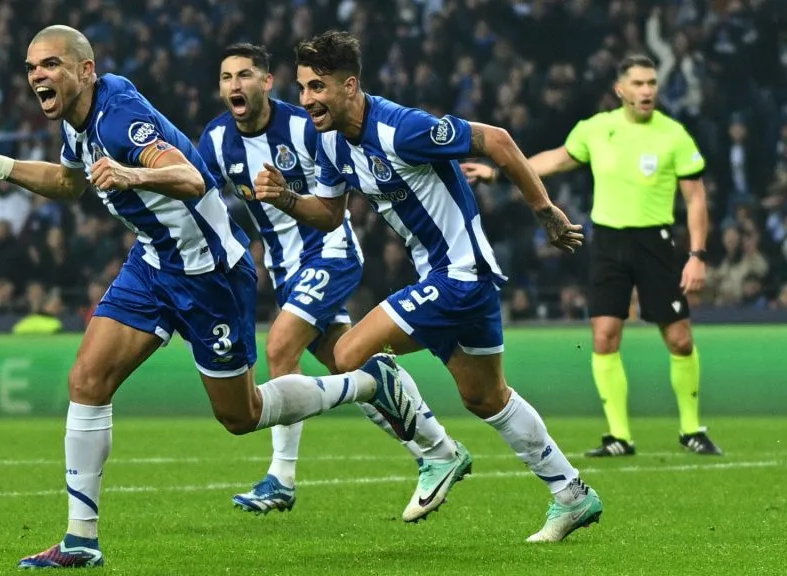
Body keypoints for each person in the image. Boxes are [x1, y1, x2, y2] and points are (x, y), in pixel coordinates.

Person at [0, 26, 419, 569]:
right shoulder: (80, 122)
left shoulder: (119, 118)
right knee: (87, 380)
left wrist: (127, 172)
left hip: (209, 272)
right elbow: (70, 183)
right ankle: (80, 540)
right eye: (31, 69)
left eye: (50, 65)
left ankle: (365, 383)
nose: (38, 77)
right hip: (153, 262)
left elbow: (191, 178)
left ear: (85, 70)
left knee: (242, 416)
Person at [253, 30, 602, 543]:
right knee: (486, 398)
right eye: (302, 88)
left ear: (350, 85)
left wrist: (545, 211)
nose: (306, 100)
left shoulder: (403, 128)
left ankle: (436, 453)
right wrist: (285, 198)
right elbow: (328, 215)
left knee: (347, 354)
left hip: (459, 275)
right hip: (448, 278)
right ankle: (572, 494)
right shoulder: (329, 141)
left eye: (318, 87)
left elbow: (499, 142)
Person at [198, 43, 469, 522]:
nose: (234, 85)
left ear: (266, 82)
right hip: (285, 271)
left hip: (329, 252)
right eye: (225, 77)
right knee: (356, 367)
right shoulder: (217, 140)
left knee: (280, 346)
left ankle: (280, 478)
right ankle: (439, 448)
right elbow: (200, 200)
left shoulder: (304, 126)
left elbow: (345, 184)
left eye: (244, 75)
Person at [462, 55, 722, 457]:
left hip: (657, 244)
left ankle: (691, 429)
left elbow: (696, 199)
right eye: (637, 83)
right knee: (604, 338)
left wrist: (698, 254)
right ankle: (619, 437)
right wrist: (500, 172)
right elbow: (555, 160)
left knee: (680, 339)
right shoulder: (597, 129)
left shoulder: (674, 135)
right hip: (608, 244)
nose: (647, 90)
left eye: (651, 82)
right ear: (621, 89)